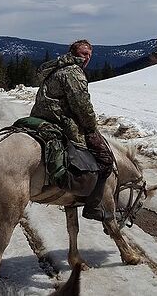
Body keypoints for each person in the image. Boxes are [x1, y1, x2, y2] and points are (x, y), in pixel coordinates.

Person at [30, 39, 115, 221]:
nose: (87, 58)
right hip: (60, 121)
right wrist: (92, 128)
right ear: (74, 53)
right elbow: (82, 106)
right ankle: (92, 205)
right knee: (105, 159)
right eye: (84, 54)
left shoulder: (57, 68)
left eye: (90, 55)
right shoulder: (73, 73)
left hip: (39, 118)